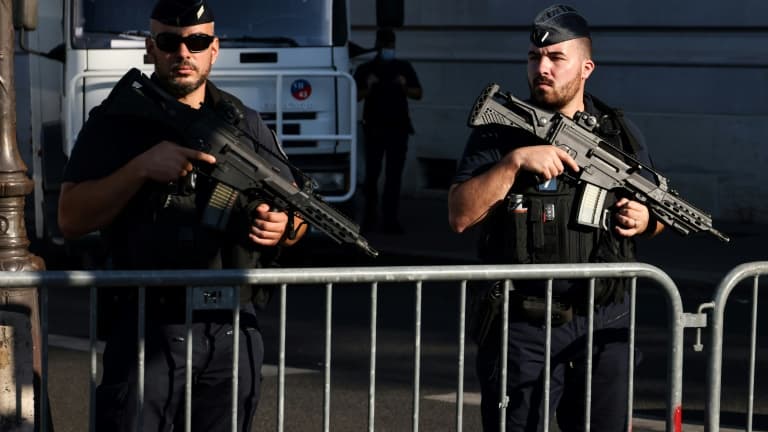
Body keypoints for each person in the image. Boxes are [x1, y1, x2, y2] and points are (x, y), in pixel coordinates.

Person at [57, 0, 306, 430]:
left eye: (197, 41)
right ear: (151, 49)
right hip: (148, 327)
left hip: (231, 330)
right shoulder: (118, 120)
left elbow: (298, 207)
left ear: (214, 48)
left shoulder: (243, 123)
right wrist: (140, 168)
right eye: (170, 42)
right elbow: (70, 217)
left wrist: (284, 228)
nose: (183, 53)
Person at [448, 4, 664, 431]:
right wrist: (512, 163)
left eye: (555, 58)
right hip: (524, 322)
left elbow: (659, 211)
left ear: (586, 67)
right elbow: (459, 215)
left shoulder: (617, 133)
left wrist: (643, 220)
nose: (541, 68)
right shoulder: (501, 129)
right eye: (534, 57)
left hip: (605, 320)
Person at [354, 27, 423, 234]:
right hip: (374, 128)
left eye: (391, 45)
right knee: (372, 176)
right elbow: (355, 95)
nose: (388, 48)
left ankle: (390, 219)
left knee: (394, 177)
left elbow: (418, 93)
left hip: (398, 129)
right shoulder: (366, 69)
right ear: (378, 45)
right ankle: (370, 216)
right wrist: (369, 86)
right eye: (385, 45)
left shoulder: (403, 67)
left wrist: (404, 86)